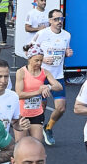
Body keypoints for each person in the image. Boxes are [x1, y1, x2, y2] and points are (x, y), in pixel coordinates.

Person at [27, 8, 73, 143]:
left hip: (58, 76)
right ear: (50, 21)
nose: (59, 22)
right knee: (41, 107)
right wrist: (42, 60)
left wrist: (67, 54)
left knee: (61, 107)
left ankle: (48, 128)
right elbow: (29, 52)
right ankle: (36, 132)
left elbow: (65, 51)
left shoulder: (67, 35)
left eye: (61, 19)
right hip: (42, 76)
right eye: (56, 19)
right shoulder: (42, 34)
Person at [15, 44, 58, 143]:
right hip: (22, 114)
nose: (39, 63)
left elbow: (58, 86)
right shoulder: (21, 72)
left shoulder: (44, 72)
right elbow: (19, 94)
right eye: (36, 60)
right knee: (22, 145)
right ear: (29, 59)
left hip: (37, 114)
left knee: (37, 145)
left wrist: (48, 87)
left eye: (41, 61)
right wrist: (38, 92)